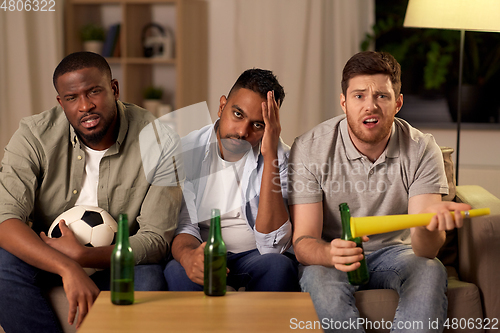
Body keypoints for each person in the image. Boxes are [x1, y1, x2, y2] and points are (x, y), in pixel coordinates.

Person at [288, 51, 471, 333]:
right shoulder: (310, 148)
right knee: (317, 279)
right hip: (334, 254)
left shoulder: (422, 149)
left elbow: (426, 249)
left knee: (429, 268)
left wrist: (431, 224)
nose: (370, 106)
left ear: (398, 102)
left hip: (395, 253)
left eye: (381, 96)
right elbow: (303, 241)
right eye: (359, 96)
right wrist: (330, 253)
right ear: (343, 102)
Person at [0, 52, 182, 333]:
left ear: (114, 89)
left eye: (94, 91)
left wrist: (84, 257)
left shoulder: (159, 140)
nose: (85, 106)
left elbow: (156, 239)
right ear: (61, 103)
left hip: (119, 259)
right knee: (3, 263)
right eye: (72, 98)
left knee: (149, 280)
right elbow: (5, 219)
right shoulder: (33, 136)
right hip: (51, 255)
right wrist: (67, 266)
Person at [164, 68, 300, 292]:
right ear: (221, 106)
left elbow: (272, 247)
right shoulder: (186, 151)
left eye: (258, 125)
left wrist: (270, 157)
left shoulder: (282, 157)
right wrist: (189, 258)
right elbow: (183, 226)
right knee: (176, 273)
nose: (242, 132)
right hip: (201, 249)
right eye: (238, 114)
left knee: (278, 267)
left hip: (255, 255)